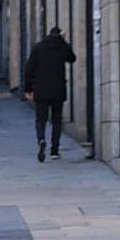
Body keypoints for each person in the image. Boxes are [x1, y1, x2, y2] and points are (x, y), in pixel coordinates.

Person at [24, 26, 77, 162]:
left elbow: (29, 68)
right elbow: (72, 58)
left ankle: (41, 139)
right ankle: (54, 150)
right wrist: (64, 41)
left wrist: (28, 89)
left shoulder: (39, 47)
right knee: (56, 120)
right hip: (58, 89)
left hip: (41, 89)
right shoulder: (62, 47)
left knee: (40, 119)